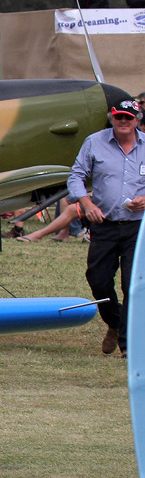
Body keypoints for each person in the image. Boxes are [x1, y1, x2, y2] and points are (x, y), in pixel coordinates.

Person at [67, 98, 145, 356]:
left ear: (137, 120)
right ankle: (115, 321)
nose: (124, 121)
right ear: (112, 117)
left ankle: (128, 347)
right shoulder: (94, 142)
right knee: (98, 280)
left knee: (132, 284)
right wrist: (87, 204)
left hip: (138, 228)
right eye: (119, 117)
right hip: (104, 224)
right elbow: (76, 176)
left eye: (129, 117)